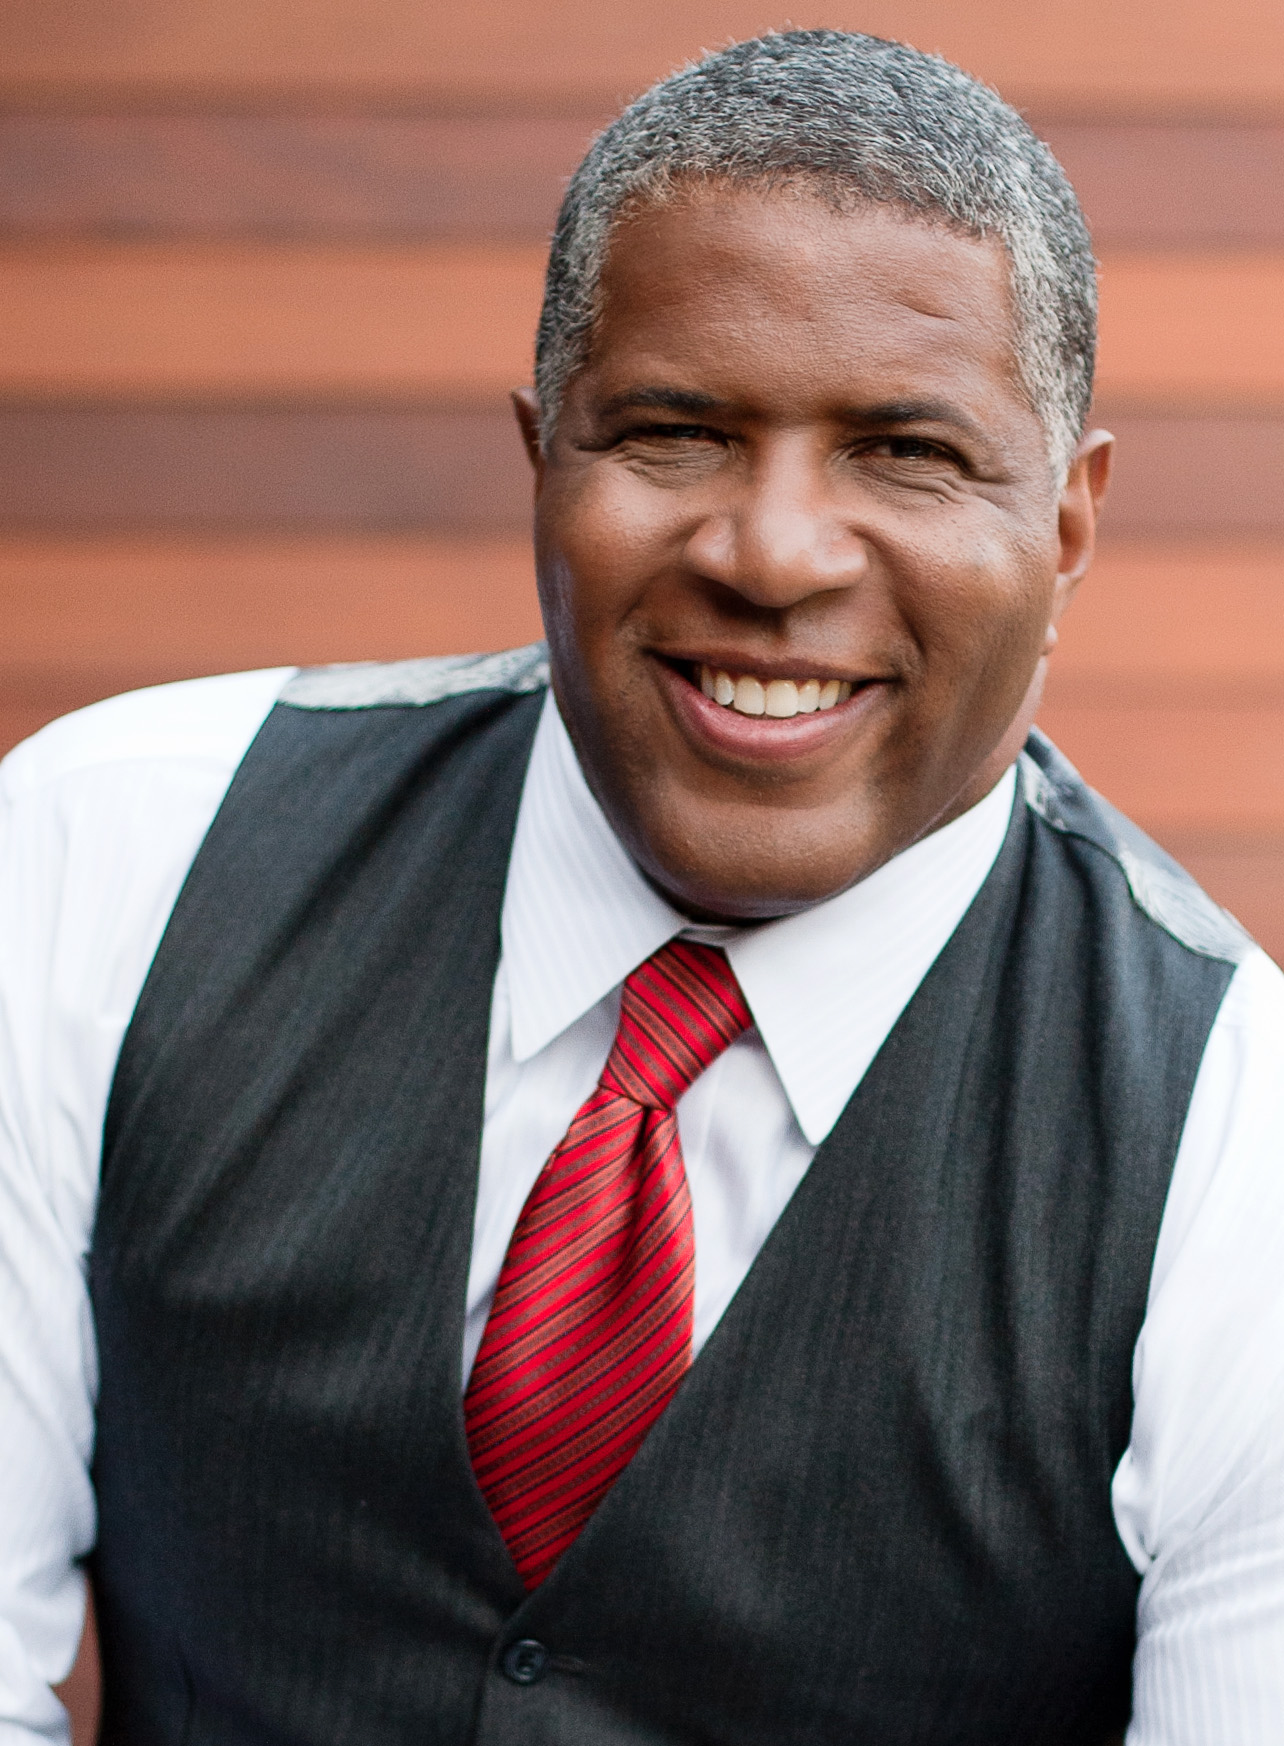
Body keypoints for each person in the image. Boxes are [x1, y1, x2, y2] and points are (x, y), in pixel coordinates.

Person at [1, 28, 1282, 1746]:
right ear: (543, 456)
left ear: (1066, 525)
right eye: (673, 431)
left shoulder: (1235, 1147)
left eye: (907, 451)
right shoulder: (111, 859)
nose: (770, 553)